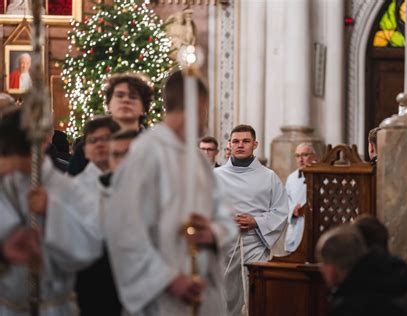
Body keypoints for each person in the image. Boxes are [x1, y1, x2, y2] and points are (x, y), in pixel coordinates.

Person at [105, 70, 237, 315]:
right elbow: (124, 229)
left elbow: (225, 215)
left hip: (204, 294)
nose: (206, 117)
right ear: (197, 104)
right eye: (206, 108)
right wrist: (168, 280)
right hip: (162, 298)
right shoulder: (146, 153)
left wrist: (212, 232)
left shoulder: (197, 159)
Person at [0, 107, 102, 315]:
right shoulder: (5, 183)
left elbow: (89, 247)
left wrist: (52, 210)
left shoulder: (68, 187)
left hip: (53, 305)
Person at [214, 124, 288, 316]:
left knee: (254, 295)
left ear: (255, 144)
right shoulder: (215, 176)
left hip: (255, 245)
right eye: (236, 141)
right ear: (228, 144)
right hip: (223, 247)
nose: (240, 145)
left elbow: (281, 211)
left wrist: (256, 221)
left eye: (246, 141)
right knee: (224, 298)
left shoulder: (269, 176)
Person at [75, 129, 137, 316]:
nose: (122, 161)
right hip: (101, 287)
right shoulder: (94, 191)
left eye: (128, 155)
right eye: (116, 155)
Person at [317, 225, 407, 316]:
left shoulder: (354, 304)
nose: (321, 268)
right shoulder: (398, 280)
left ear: (334, 265)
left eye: (324, 262)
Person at [284, 142, 318, 252]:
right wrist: (293, 209)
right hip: (297, 225)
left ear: (314, 156)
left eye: (305, 155)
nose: (300, 159)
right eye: (297, 156)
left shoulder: (323, 175)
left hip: (316, 226)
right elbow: (285, 201)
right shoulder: (291, 178)